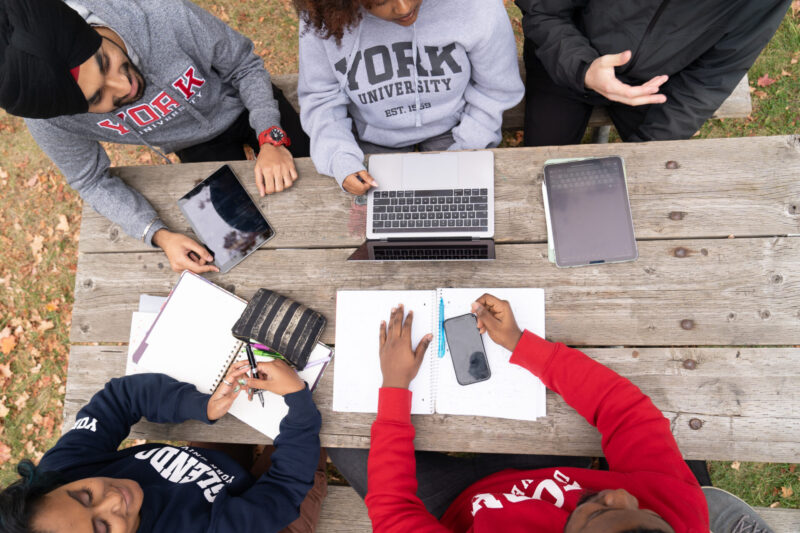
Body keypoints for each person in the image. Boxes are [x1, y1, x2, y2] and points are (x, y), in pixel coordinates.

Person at [328, 295, 711, 532]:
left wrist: (395, 386)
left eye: (595, 514)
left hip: (456, 510)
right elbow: (624, 411)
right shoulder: (679, 507)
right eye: (649, 517)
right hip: (539, 469)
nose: (621, 496)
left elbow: (393, 511)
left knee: (341, 445)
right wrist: (521, 344)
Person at [0, 0, 310, 274]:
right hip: (194, 145)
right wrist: (158, 234)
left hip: (242, 101)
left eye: (105, 62)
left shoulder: (162, 13)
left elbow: (244, 66)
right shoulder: (50, 118)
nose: (123, 88)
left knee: (319, 181)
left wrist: (271, 137)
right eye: (98, 98)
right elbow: (90, 180)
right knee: (242, 253)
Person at [0, 359, 324, 532]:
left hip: (208, 476)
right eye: (102, 528)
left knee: (232, 414)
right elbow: (284, 488)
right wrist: (298, 398)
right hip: (271, 515)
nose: (113, 498)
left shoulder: (61, 472)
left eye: (85, 495)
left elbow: (118, 399)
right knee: (326, 416)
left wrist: (203, 406)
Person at [294, 0, 524, 195]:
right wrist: (339, 156)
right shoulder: (325, 20)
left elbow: (495, 90)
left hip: (455, 129)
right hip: (372, 137)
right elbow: (321, 97)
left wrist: (466, 147)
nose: (403, 8)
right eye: (381, 1)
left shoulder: (475, 6)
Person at [514, 0, 792, 146]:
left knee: (655, 191)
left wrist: (647, 154)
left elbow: (712, 77)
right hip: (565, 60)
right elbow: (544, 11)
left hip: (657, 86)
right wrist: (583, 69)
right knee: (543, 170)